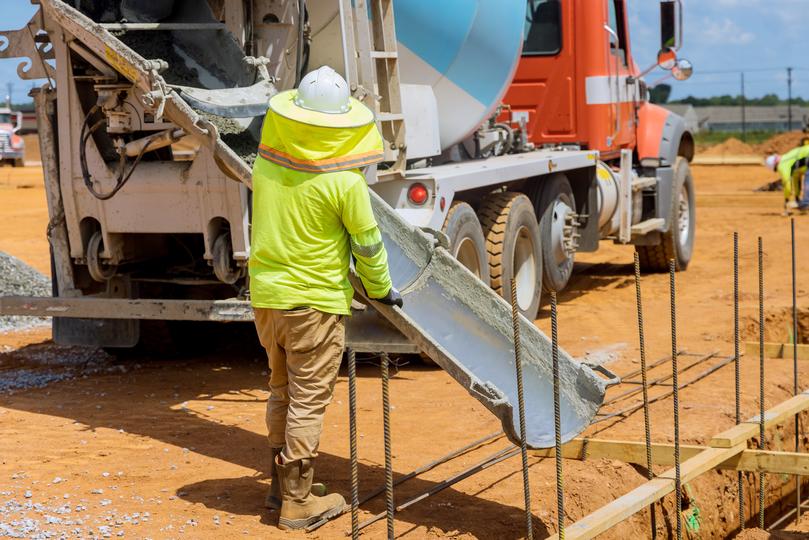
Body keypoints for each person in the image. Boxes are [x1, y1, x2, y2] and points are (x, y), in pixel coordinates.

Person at [249, 66, 403, 530]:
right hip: (314, 305)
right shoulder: (346, 183)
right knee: (308, 400)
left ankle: (281, 488)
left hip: (266, 300)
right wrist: (382, 292)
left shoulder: (266, 166)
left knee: (280, 390)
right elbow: (369, 246)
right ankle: (298, 503)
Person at [766, 143, 809, 213]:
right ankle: (804, 204)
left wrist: (787, 200)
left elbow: (787, 184)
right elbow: (796, 178)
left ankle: (806, 203)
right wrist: (797, 198)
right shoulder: (790, 160)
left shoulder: (783, 165)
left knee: (808, 179)